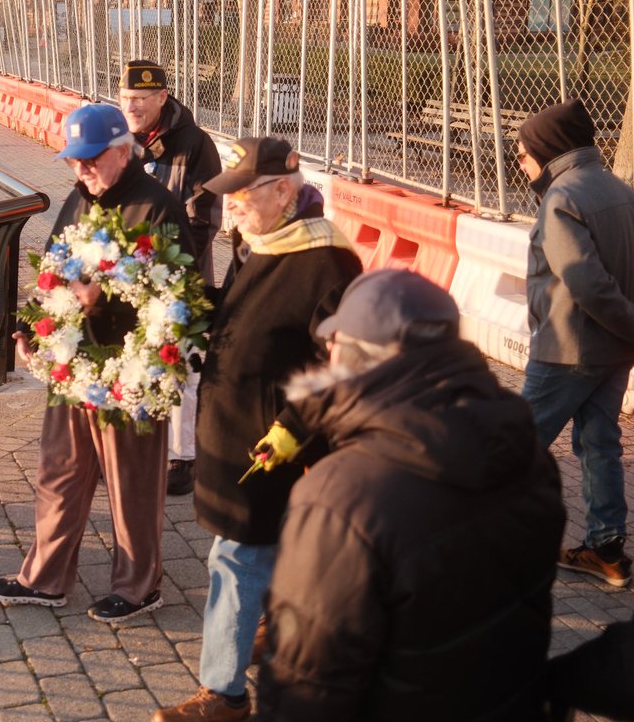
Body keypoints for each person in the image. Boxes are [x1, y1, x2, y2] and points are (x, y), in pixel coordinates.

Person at [254, 269, 566, 721]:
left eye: (336, 340)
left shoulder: (339, 497)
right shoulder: (527, 452)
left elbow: (307, 685)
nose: (328, 353)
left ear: (360, 357)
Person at [153, 136, 361, 722]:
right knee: (270, 548)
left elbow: (339, 361)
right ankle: (281, 625)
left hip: (274, 442)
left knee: (235, 558)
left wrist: (293, 428)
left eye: (241, 195)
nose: (231, 208)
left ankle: (223, 695)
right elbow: (251, 316)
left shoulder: (327, 259)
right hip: (233, 427)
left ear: (282, 189)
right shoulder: (262, 240)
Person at [0, 103, 194, 622]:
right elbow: (55, 273)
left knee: (131, 484)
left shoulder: (158, 207)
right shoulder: (77, 201)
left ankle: (141, 585)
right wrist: (30, 329)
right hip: (74, 366)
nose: (81, 170)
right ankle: (46, 578)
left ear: (124, 152)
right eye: (74, 161)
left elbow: (177, 300)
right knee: (59, 472)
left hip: (131, 372)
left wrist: (100, 297)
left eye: (91, 159)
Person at [516, 98, 634, 588]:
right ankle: (607, 551)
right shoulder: (619, 190)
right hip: (613, 353)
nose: (520, 166)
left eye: (522, 155)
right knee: (599, 444)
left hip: (568, 350)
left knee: (513, 446)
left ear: (548, 150)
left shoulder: (562, 198)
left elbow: (584, 281)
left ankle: (484, 546)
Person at [118, 59, 222, 496]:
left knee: (182, 369)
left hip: (180, 279)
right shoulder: (120, 141)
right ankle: (133, 446)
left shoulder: (196, 145)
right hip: (126, 279)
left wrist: (167, 267)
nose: (134, 107)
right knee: (133, 361)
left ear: (163, 97)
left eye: (142, 99)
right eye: (127, 99)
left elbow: (205, 218)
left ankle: (182, 457)